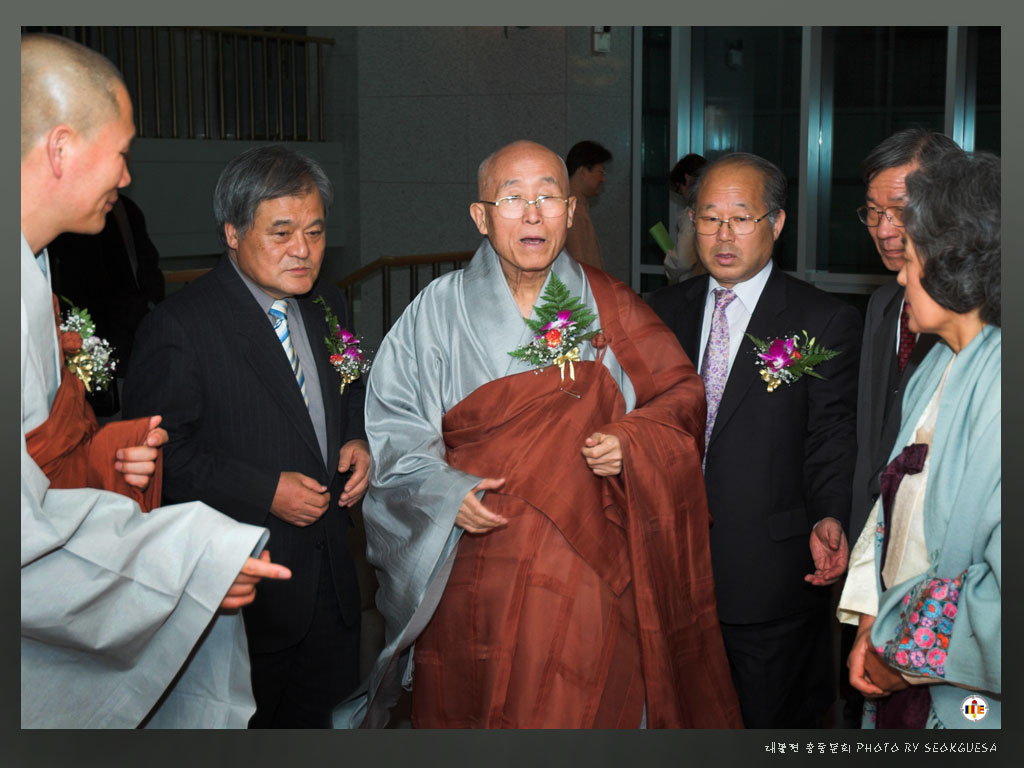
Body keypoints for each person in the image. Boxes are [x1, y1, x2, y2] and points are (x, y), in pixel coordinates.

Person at [337, 139, 741, 729]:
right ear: (481, 216)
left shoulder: (614, 305)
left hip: (587, 570)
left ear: (571, 213)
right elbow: (397, 427)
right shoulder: (435, 312)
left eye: (549, 197)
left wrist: (632, 439)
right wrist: (446, 493)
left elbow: (683, 393)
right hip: (475, 566)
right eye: (512, 198)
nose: (532, 214)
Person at [21, 32, 290, 729]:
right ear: (60, 148)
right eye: (121, 152)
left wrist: (99, 454)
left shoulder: (33, 267)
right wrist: (189, 564)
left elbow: (35, 465)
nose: (127, 176)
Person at [123, 145, 371, 728]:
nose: (304, 250)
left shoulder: (327, 304)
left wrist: (359, 439)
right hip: (244, 591)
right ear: (233, 233)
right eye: (281, 233)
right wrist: (263, 490)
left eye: (314, 231)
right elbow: (158, 460)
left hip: (333, 583)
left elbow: (353, 388)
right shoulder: (181, 326)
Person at [647, 152, 861, 728]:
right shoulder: (660, 313)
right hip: (669, 566)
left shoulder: (822, 318)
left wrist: (831, 515)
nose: (722, 234)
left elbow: (831, 436)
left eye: (740, 218)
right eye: (708, 217)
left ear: (777, 223)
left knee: (766, 721)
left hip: (767, 575)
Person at [839, 150, 1000, 729]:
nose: (902, 273)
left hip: (963, 691)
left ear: (961, 262)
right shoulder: (935, 366)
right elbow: (888, 514)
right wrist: (868, 619)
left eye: (912, 255)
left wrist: (901, 652)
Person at [850, 128, 963, 543]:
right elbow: (869, 442)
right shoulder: (883, 305)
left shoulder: (980, 319)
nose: (883, 230)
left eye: (899, 210)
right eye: (873, 212)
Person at [48, 194, 166, 417]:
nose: (124, 176)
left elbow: (146, 263)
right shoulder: (71, 213)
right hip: (94, 340)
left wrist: (149, 305)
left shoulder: (124, 208)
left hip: (133, 334)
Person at [564, 139, 611, 270]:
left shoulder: (579, 205)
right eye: (600, 172)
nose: (603, 179)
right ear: (583, 171)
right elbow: (579, 265)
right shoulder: (572, 210)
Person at [663, 153, 707, 285]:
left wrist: (670, 261)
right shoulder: (717, 208)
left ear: (687, 179)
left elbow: (683, 259)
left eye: (679, 188)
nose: (682, 193)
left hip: (694, 284)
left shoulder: (692, 214)